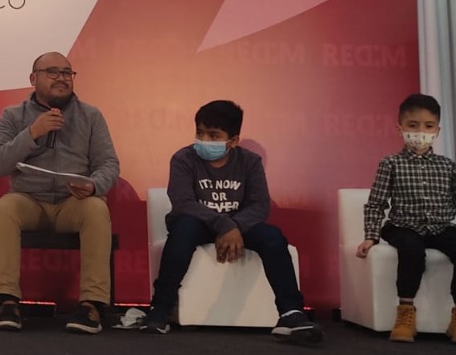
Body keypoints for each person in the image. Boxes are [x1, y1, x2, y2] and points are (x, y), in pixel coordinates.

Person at [137, 100, 321, 342]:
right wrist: (225, 225)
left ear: (233, 141)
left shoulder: (250, 162)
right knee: (183, 229)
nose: (204, 140)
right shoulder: (183, 158)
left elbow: (259, 205)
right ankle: (160, 309)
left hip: (239, 225)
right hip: (198, 223)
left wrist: (235, 226)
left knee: (273, 237)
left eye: (213, 135)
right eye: (200, 133)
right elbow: (183, 203)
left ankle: (291, 313)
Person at [0, 51, 119, 333]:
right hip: (29, 202)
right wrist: (31, 133)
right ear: (33, 79)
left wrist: (93, 185)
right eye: (52, 72)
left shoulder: (91, 116)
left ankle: (91, 305)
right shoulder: (13, 115)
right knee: (5, 207)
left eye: (67, 73)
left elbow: (108, 163)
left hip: (73, 203)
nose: (61, 78)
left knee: (97, 208)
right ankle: (8, 301)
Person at [356, 93, 456, 345]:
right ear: (400, 128)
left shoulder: (447, 166)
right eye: (413, 125)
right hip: (403, 226)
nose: (421, 132)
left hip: (441, 228)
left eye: (428, 126)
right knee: (412, 250)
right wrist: (370, 236)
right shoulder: (391, 163)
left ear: (437, 131)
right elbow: (377, 202)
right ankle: (405, 313)